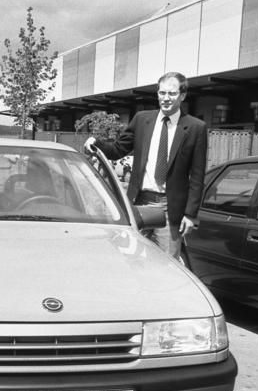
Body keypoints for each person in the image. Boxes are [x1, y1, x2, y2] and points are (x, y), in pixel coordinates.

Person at [83, 71, 207, 259]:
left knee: (166, 264)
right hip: (138, 204)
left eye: (171, 94)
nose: (166, 98)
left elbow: (197, 176)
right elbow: (117, 150)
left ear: (182, 96)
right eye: (162, 93)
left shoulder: (196, 128)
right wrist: (96, 143)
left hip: (169, 208)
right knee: (131, 259)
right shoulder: (142, 120)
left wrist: (190, 215)